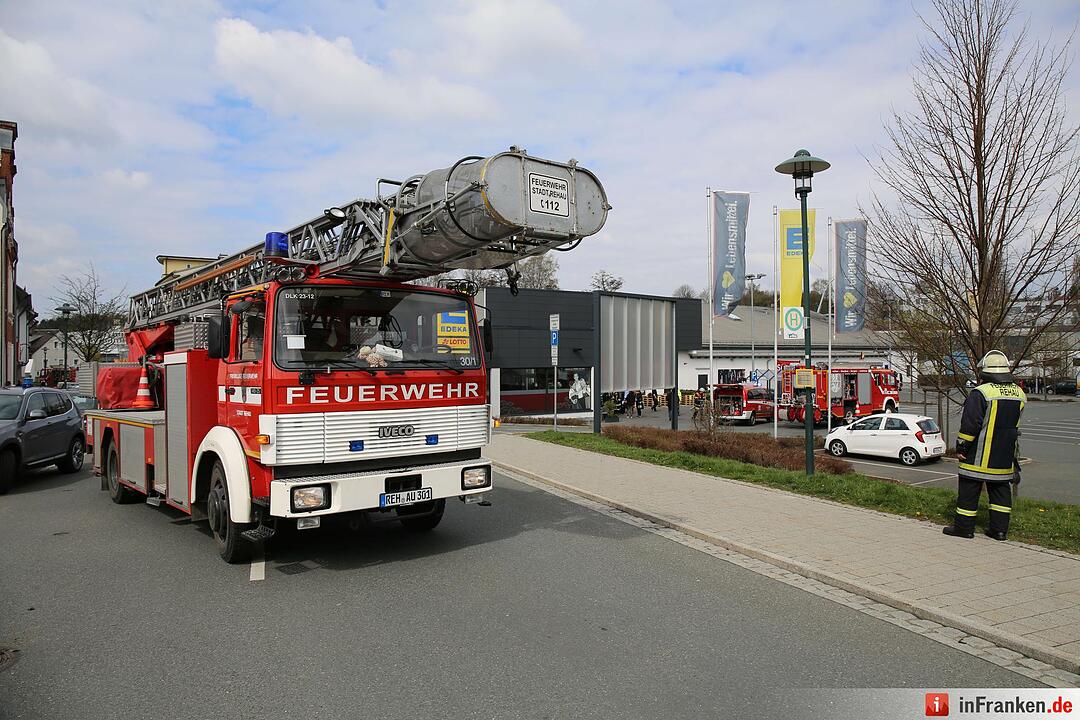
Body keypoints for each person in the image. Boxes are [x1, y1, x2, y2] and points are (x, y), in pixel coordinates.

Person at [943, 350, 1026, 541]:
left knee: (969, 491)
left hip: (978, 456)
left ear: (985, 371)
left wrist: (962, 447)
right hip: (1004, 456)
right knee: (1000, 492)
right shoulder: (1020, 394)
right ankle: (999, 531)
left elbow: (970, 424)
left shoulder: (981, 393)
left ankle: (964, 528)